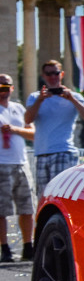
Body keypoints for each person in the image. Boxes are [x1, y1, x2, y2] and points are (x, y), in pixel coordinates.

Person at [24, 61, 84, 197]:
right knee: (43, 197)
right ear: (43, 76)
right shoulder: (35, 97)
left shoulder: (74, 96)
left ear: (62, 74)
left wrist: (72, 100)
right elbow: (28, 119)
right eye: (49, 74)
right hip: (41, 154)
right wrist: (40, 100)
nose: (53, 77)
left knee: (59, 195)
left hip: (63, 152)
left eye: (56, 73)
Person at [0, 74, 35, 262]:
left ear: (12, 88)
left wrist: (15, 130)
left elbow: (33, 133)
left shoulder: (19, 108)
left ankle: (28, 246)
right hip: (1, 164)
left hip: (21, 162)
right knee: (2, 210)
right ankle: (5, 248)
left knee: (27, 207)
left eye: (6, 86)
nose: (3, 89)